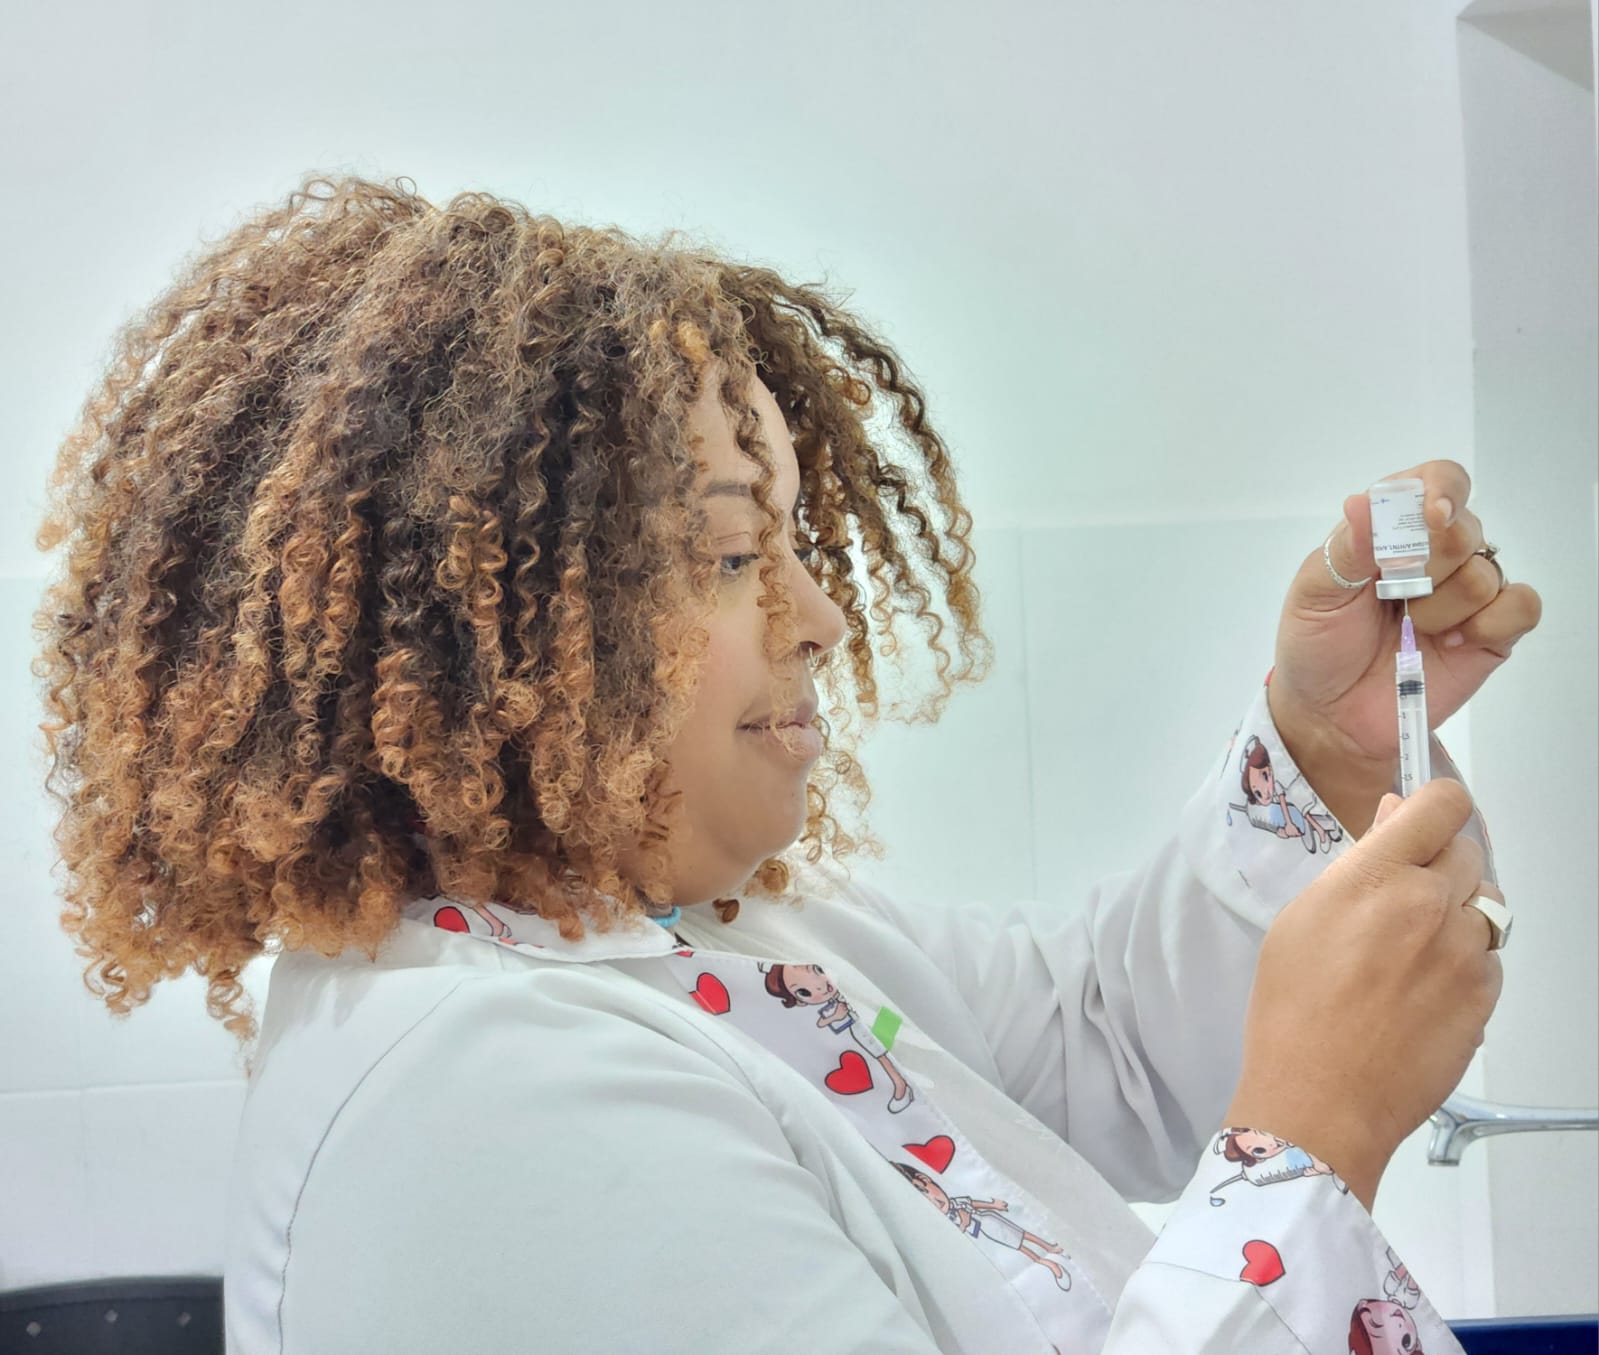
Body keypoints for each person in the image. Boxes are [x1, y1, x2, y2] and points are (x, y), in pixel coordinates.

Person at [31, 176, 1540, 1353]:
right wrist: (1306, 1158)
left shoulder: (696, 942)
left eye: (797, 545)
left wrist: (1323, 746)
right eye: (732, 555)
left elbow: (1102, 1038)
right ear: (478, 633)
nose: (817, 616)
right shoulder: (489, 1100)